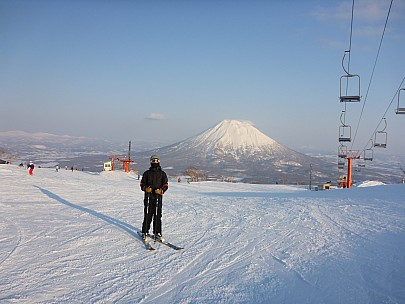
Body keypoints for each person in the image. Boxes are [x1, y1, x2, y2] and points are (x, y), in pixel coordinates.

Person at [140, 155, 168, 242]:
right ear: (151, 162)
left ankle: (157, 232)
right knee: (148, 214)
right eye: (153, 161)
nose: (155, 162)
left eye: (156, 160)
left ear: (159, 161)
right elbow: (142, 183)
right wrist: (145, 189)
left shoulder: (162, 174)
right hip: (149, 196)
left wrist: (161, 191)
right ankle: (145, 232)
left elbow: (166, 184)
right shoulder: (147, 173)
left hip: (158, 196)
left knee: (157, 215)